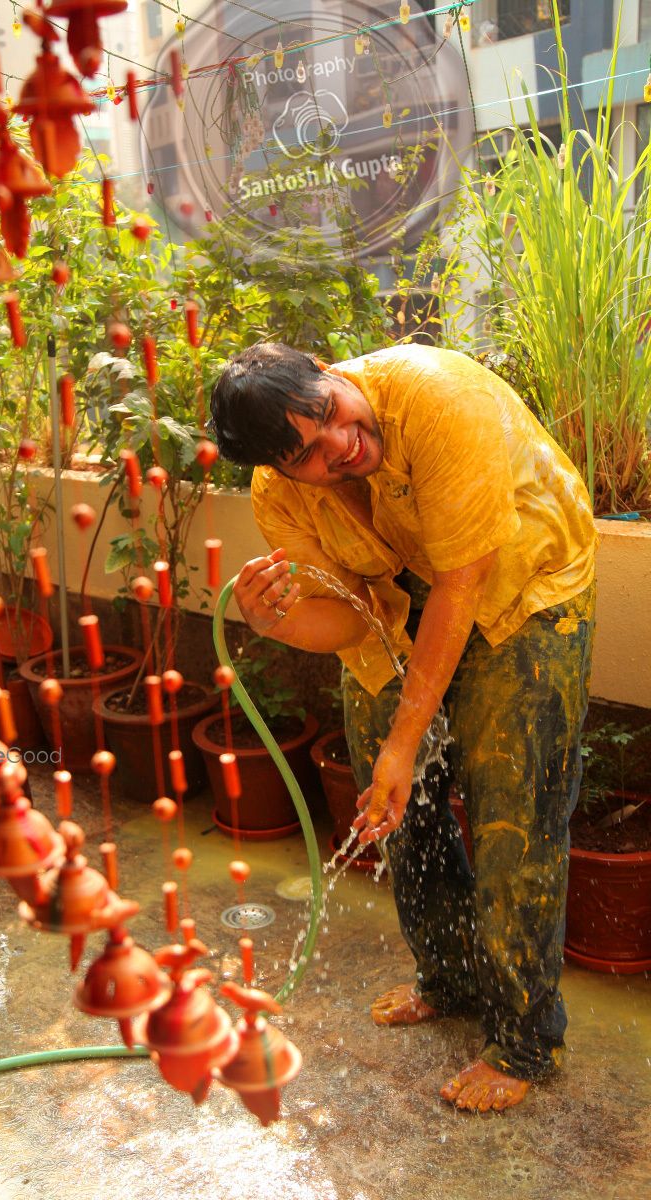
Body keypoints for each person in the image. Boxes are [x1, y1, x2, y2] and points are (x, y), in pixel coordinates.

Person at [210, 341, 596, 1113]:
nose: (342, 445)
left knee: (512, 818)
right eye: (312, 455)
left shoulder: (439, 398)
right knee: (396, 811)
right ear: (279, 470)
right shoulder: (278, 499)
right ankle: (448, 980)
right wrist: (277, 621)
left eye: (331, 415)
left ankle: (525, 1040)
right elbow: (350, 622)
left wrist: (403, 742)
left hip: (523, 591)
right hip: (405, 606)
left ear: (327, 372)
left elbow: (461, 584)